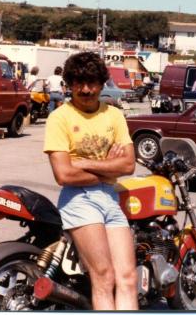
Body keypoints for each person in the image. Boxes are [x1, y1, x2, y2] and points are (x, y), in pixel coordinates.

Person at [43, 52, 138, 310]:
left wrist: (82, 162)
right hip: (80, 199)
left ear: (102, 83)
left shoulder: (114, 116)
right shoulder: (60, 117)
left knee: (128, 278)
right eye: (79, 83)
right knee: (104, 277)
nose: (86, 90)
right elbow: (64, 175)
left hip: (110, 197)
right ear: (70, 84)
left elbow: (128, 165)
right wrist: (109, 167)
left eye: (92, 83)